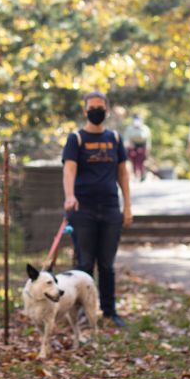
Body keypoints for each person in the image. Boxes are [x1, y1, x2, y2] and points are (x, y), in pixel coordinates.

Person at [62, 91, 132, 328]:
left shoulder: (115, 138)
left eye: (100, 107)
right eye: (92, 107)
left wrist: (128, 206)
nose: (96, 111)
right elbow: (69, 170)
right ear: (85, 111)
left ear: (107, 111)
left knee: (107, 264)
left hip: (111, 208)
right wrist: (70, 196)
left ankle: (109, 311)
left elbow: (123, 173)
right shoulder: (76, 139)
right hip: (83, 209)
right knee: (84, 264)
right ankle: (82, 312)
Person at [123, 114, 151, 181]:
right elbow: (126, 139)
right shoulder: (129, 129)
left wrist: (148, 149)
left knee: (141, 162)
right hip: (132, 147)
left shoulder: (145, 128)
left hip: (142, 147)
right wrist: (128, 145)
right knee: (134, 162)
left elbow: (148, 140)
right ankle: (136, 174)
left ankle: (142, 174)